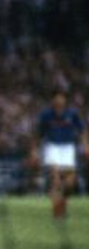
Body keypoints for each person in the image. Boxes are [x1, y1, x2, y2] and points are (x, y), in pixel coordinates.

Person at [35, 90, 86, 219]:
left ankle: (61, 204)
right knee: (56, 180)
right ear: (52, 100)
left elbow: (82, 130)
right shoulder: (46, 115)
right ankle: (57, 212)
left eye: (61, 98)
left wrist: (86, 145)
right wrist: (34, 151)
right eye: (56, 98)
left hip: (68, 148)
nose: (59, 101)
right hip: (52, 147)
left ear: (65, 100)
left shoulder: (72, 113)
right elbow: (38, 134)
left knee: (70, 183)